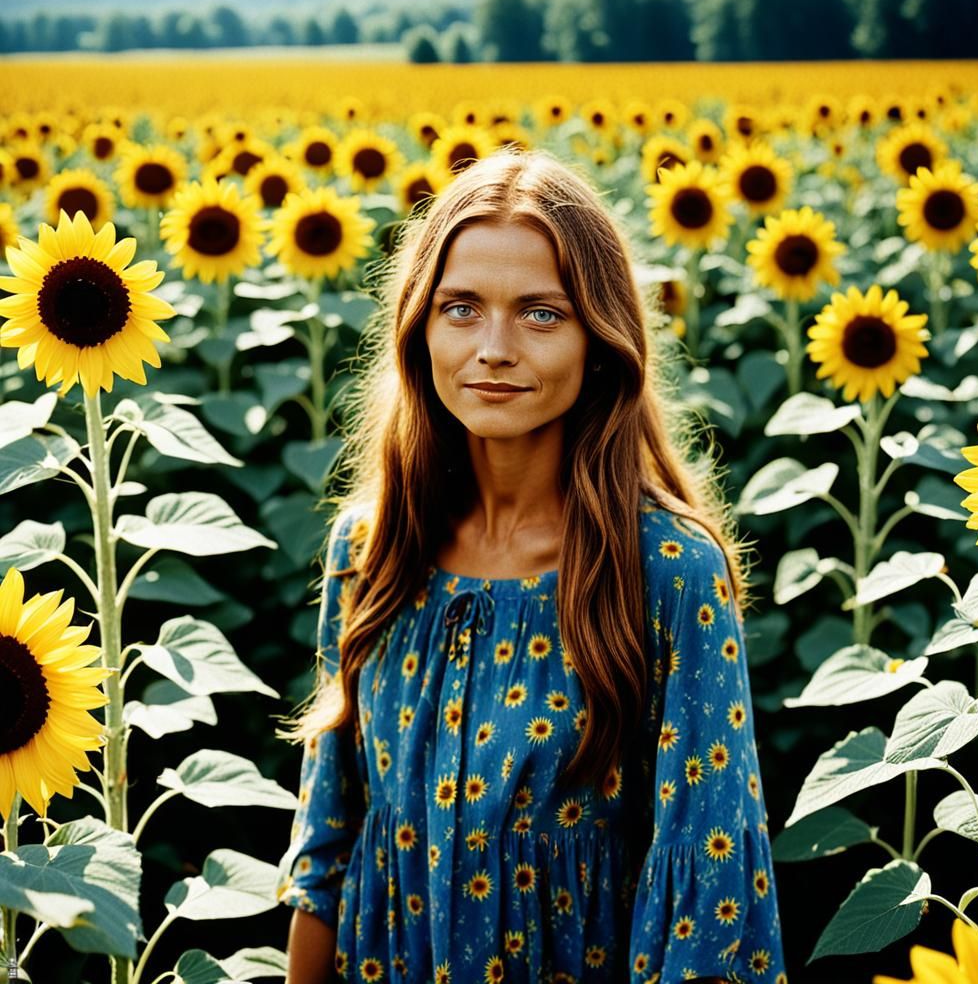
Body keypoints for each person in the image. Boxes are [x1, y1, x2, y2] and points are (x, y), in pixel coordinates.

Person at [273, 145, 786, 983]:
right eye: (461, 308)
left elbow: (710, 880)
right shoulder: (372, 548)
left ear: (600, 340)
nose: (495, 349)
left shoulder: (668, 571)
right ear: (418, 327)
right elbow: (326, 841)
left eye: (542, 314)